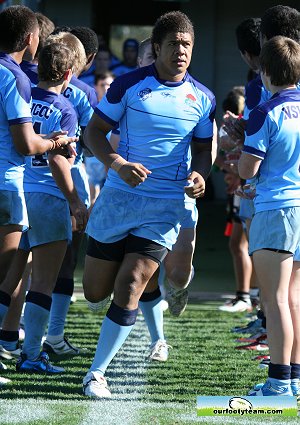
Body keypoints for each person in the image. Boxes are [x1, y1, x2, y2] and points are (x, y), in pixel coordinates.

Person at [81, 10, 215, 399]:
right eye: (173, 43)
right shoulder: (127, 85)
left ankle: (96, 374)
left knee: (133, 282)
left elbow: (203, 149)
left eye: (187, 44)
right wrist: (118, 165)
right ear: (156, 47)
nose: (181, 51)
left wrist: (201, 176)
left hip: (164, 206)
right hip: (119, 200)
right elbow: (94, 132)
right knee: (93, 291)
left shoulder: (201, 98)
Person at [0, 5, 75, 383]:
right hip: (32, 192)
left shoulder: (23, 87)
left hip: (21, 190)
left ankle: (10, 342)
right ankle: (31, 354)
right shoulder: (61, 102)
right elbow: (33, 147)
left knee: (11, 276)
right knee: (36, 281)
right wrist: (56, 141)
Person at [238, 35, 300, 397]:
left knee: (275, 300)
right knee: (293, 299)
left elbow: (248, 169)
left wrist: (236, 152)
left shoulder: (266, 110)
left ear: (264, 71)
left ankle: (278, 383)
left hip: (277, 208)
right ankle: (291, 379)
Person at [41, 28, 98, 358]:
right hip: (65, 184)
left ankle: (14, 333)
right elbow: (92, 141)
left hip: (22, 183)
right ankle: (53, 335)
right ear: (85, 61)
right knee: (63, 262)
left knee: (22, 264)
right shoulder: (80, 92)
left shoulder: (25, 82)